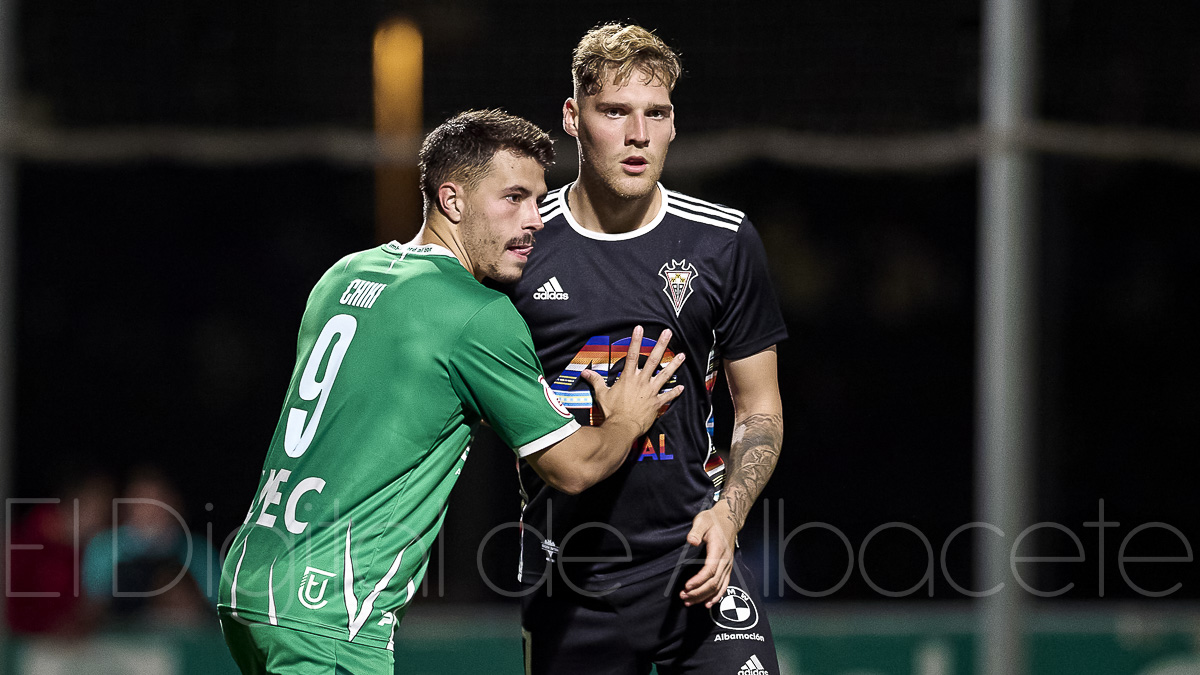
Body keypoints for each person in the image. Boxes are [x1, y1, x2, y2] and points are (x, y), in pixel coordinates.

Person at [216, 109, 685, 675]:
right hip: (329, 608)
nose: (535, 218)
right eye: (513, 198)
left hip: (250, 578)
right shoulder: (477, 315)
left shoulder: (343, 275)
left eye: (538, 199)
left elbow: (391, 406)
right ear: (453, 201)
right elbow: (574, 468)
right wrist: (626, 419)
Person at [496, 24, 787, 673]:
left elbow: (761, 409)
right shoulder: (518, 246)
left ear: (674, 123)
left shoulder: (723, 242)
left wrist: (729, 515)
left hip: (699, 567)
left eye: (656, 113)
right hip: (570, 585)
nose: (638, 134)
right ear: (573, 117)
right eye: (615, 112)